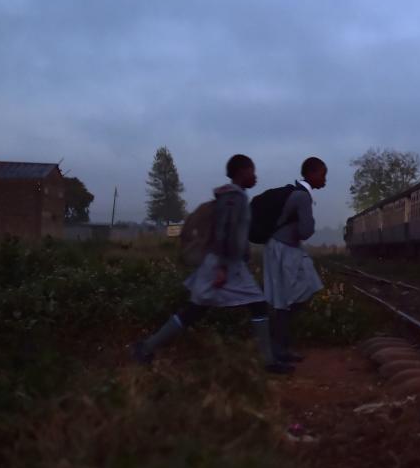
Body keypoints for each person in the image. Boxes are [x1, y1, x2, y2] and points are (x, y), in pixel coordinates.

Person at [133, 154, 294, 374]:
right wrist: (221, 268)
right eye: (252, 171)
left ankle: (147, 347)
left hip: (228, 264)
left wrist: (241, 255)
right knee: (203, 310)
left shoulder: (237, 197)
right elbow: (223, 231)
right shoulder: (233, 198)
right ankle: (268, 361)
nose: (255, 176)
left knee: (201, 310)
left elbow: (236, 232)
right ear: (241, 172)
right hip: (223, 264)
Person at [263, 156, 327, 361]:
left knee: (303, 289)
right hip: (283, 249)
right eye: (322, 174)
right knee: (284, 299)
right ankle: (278, 348)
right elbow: (306, 230)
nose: (325, 179)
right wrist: (309, 222)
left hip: (286, 248)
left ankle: (279, 343)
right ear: (311, 173)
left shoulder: (298, 193)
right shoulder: (302, 197)